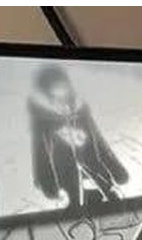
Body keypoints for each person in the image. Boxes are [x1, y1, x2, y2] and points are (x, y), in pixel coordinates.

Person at [28, 65, 128, 207]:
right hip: (67, 183)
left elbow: (99, 142)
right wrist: (49, 185)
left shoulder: (81, 113)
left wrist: (116, 170)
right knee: (75, 211)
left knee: (109, 206)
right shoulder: (44, 122)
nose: (61, 92)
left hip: (96, 176)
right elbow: (41, 155)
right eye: (55, 88)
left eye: (63, 86)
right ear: (48, 92)